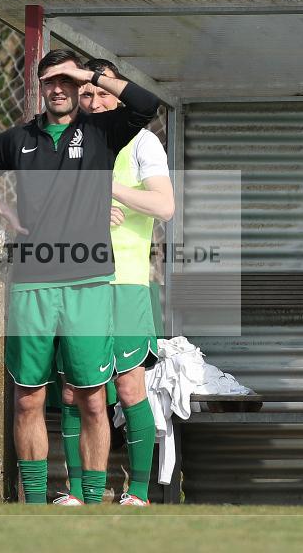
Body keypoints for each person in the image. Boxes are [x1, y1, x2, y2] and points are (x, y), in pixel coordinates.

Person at [0, 49, 160, 504]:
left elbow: (147, 105)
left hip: (88, 285)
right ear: (40, 87)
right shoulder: (19, 139)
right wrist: (5, 209)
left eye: (67, 80)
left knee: (90, 398)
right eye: (51, 80)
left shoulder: (101, 131)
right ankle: (32, 504)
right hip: (31, 284)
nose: (60, 88)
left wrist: (89, 74)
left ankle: (90, 502)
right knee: (27, 397)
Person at [52, 59, 173, 507]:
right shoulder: (66, 143)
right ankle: (83, 493)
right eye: (88, 95)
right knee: (75, 389)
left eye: (104, 93)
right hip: (76, 282)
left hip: (125, 283)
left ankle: (138, 492)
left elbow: (165, 206)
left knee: (128, 388)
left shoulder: (142, 142)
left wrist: (110, 190)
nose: (96, 101)